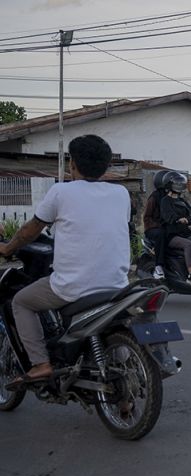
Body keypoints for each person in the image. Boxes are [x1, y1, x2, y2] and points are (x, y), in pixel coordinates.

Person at [2, 135, 131, 387]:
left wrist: (8, 247)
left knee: (22, 301)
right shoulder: (121, 193)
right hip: (116, 284)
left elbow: (31, 230)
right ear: (105, 165)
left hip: (73, 287)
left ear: (73, 164)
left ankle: (40, 364)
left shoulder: (61, 191)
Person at [159, 173, 191, 287]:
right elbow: (167, 216)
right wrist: (178, 219)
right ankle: (190, 275)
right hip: (171, 235)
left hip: (184, 233)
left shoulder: (182, 200)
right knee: (188, 244)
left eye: (181, 183)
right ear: (170, 185)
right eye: (177, 184)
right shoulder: (165, 201)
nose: (180, 186)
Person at [142, 170, 174, 280]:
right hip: (153, 229)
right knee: (162, 234)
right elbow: (146, 217)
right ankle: (159, 266)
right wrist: (158, 225)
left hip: (167, 227)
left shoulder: (171, 196)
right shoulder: (154, 197)